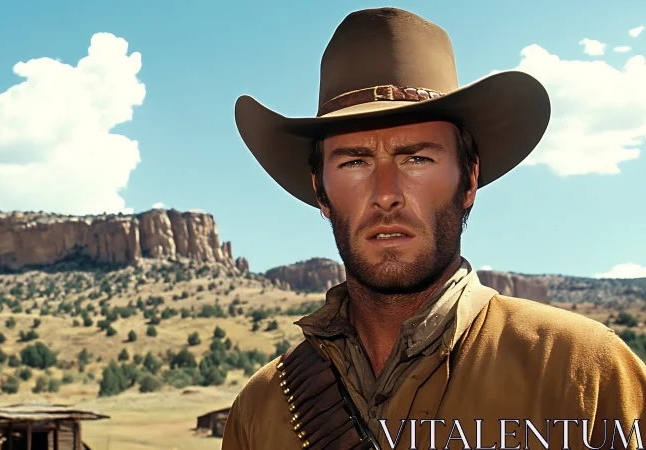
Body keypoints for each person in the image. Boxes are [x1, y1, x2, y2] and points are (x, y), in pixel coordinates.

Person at [223, 7, 646, 450]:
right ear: (321, 192)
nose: (385, 193)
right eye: (354, 162)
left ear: (469, 180)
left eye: (416, 158)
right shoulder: (264, 408)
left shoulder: (581, 373)